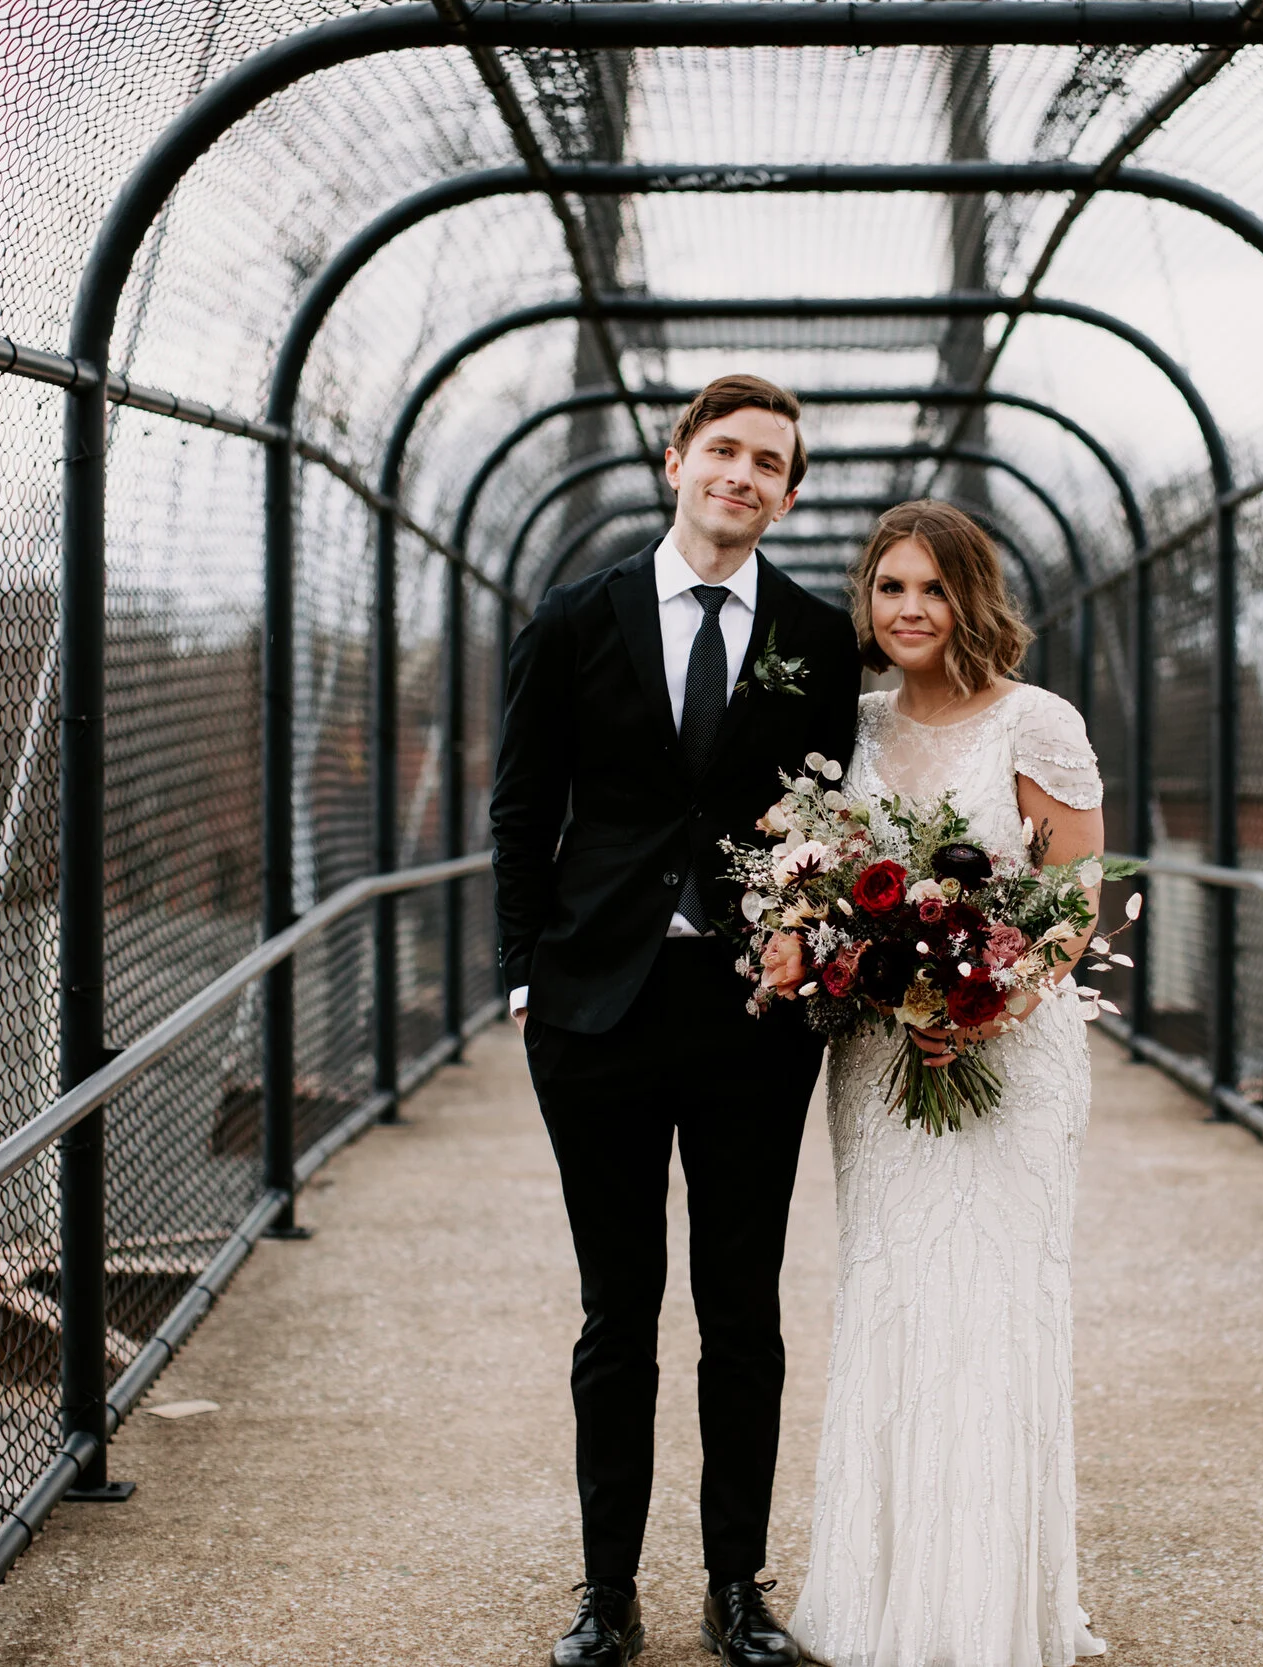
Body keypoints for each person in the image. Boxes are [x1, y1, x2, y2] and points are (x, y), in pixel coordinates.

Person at [491, 374, 862, 1667]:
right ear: (676, 461)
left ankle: (733, 1586)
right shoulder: (576, 617)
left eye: (771, 461)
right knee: (618, 1309)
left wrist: (815, 963)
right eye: (725, 450)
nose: (744, 475)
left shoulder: (817, 635)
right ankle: (607, 1593)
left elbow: (838, 815)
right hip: (594, 1008)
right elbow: (522, 811)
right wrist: (526, 977)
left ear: (791, 490)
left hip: (755, 1015)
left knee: (742, 1306)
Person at [787, 500, 1110, 1667]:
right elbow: (817, 879)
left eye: (930, 587)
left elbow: (1072, 897)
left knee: (989, 1303)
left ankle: (983, 1610)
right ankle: (879, 1597)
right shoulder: (854, 725)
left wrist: (983, 1003)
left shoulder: (1038, 722)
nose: (907, 609)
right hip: (878, 1056)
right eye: (888, 588)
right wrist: (882, 985)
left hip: (1009, 1051)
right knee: (893, 1297)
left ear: (971, 596)